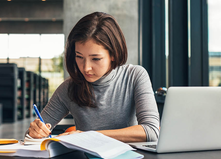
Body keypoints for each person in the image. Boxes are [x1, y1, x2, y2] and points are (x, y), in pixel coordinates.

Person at [27, 12, 160, 142]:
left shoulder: (134, 76)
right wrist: (34, 133)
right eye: (79, 57)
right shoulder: (68, 88)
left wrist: (88, 136)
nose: (86, 68)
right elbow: (30, 138)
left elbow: (151, 131)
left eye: (95, 59)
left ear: (113, 54)